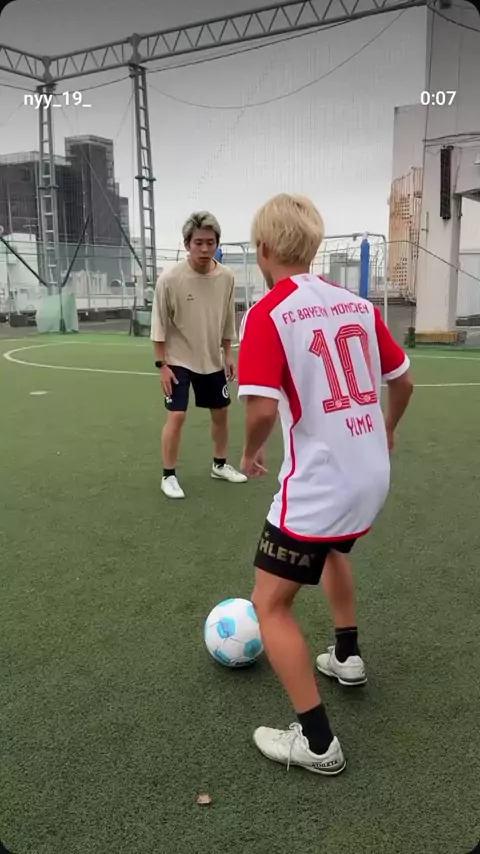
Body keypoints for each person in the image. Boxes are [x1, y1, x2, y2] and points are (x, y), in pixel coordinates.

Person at [237, 193, 413, 774]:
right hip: (370, 475)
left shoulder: (267, 314)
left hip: (322, 484)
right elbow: (403, 381)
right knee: (334, 548)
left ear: (263, 248)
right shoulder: (358, 306)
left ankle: (317, 743)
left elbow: (262, 410)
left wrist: (250, 453)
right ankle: (347, 655)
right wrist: (387, 429)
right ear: (312, 246)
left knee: (269, 604)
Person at [151, 211, 247, 498]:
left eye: (210, 243)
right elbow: (159, 323)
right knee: (177, 415)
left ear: (217, 244)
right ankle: (168, 476)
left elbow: (227, 318)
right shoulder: (170, 278)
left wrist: (227, 354)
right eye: (198, 243)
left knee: (221, 413)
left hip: (211, 358)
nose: (205, 249)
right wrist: (162, 365)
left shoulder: (226, 277)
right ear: (187, 244)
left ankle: (220, 465)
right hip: (178, 359)